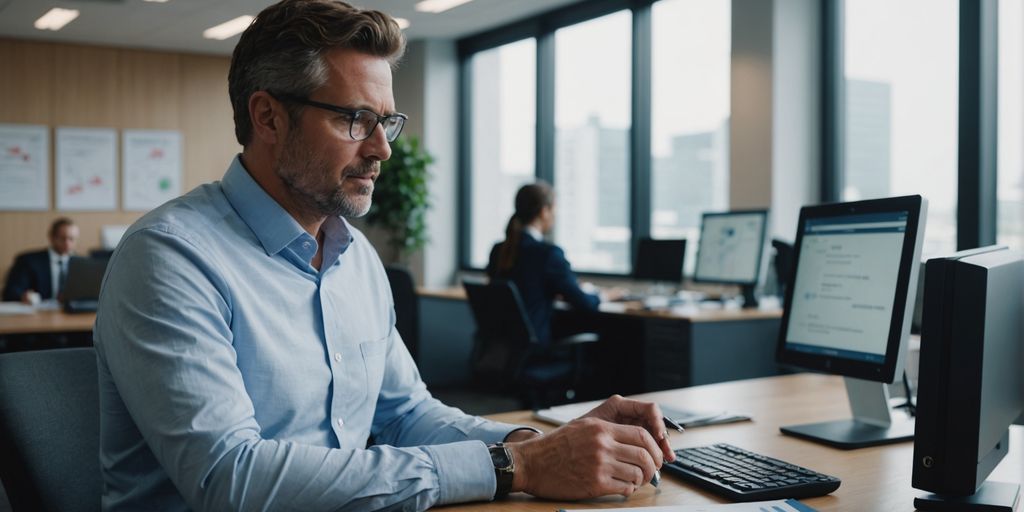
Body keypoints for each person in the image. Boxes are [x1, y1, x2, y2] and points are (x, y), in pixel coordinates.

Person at [94, 1, 676, 510]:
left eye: (386, 123)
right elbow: (230, 480)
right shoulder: (171, 258)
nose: (381, 150)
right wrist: (513, 469)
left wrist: (535, 445)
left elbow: (404, 415)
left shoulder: (354, 257)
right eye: (354, 120)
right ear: (267, 116)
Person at [487, 182, 620, 344]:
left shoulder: (499, 250)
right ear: (544, 211)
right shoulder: (548, 254)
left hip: (501, 350)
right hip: (535, 350)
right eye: (555, 210)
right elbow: (584, 303)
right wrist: (605, 295)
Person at [2, 217, 78, 303]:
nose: (67, 243)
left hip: (71, 313)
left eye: (71, 239)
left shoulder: (81, 264)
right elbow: (10, 292)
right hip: (38, 313)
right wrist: (23, 296)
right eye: (62, 238)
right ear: (52, 237)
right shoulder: (28, 261)